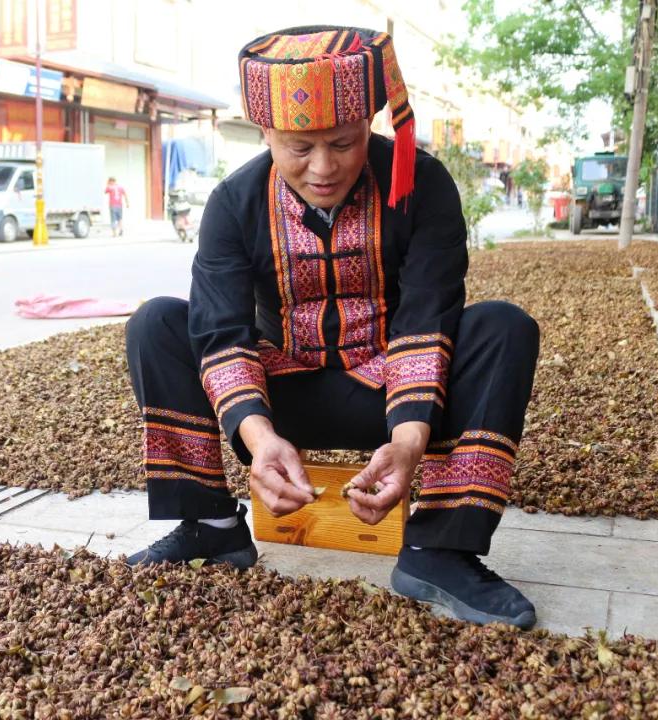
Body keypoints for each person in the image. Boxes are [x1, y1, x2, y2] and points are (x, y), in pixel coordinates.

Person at [123, 26, 541, 630]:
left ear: (369, 122)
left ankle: (439, 549)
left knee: (503, 328)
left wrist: (407, 442)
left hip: (394, 393)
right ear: (264, 131)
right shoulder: (233, 203)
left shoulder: (422, 186)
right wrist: (260, 441)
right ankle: (213, 526)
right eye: (298, 147)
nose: (323, 167)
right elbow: (222, 334)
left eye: (344, 143)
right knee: (157, 323)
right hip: (280, 395)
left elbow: (429, 317)